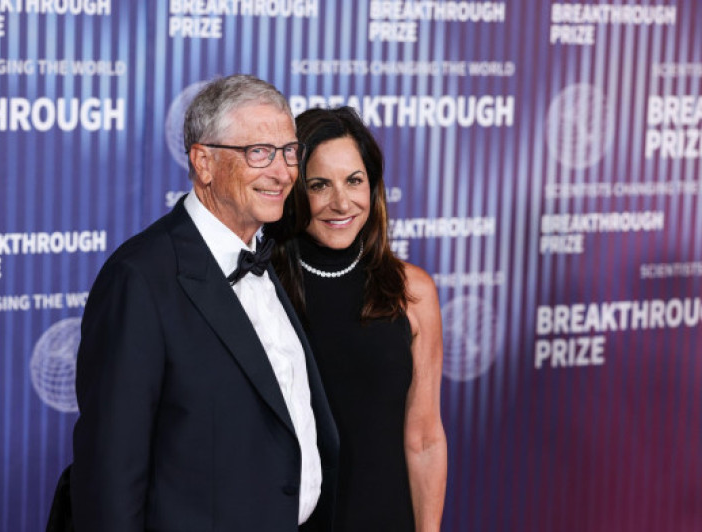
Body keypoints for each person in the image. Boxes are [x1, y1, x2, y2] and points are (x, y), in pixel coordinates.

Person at [63, 74, 339, 531]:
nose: (284, 171)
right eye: (259, 153)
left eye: (289, 151)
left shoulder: (262, 256)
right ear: (204, 162)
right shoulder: (139, 280)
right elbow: (110, 475)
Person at [266, 106, 447, 531]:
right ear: (293, 191)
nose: (341, 202)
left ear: (373, 186)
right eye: (319, 185)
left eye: (354, 181)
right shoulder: (262, 289)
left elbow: (424, 439)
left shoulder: (412, 291)